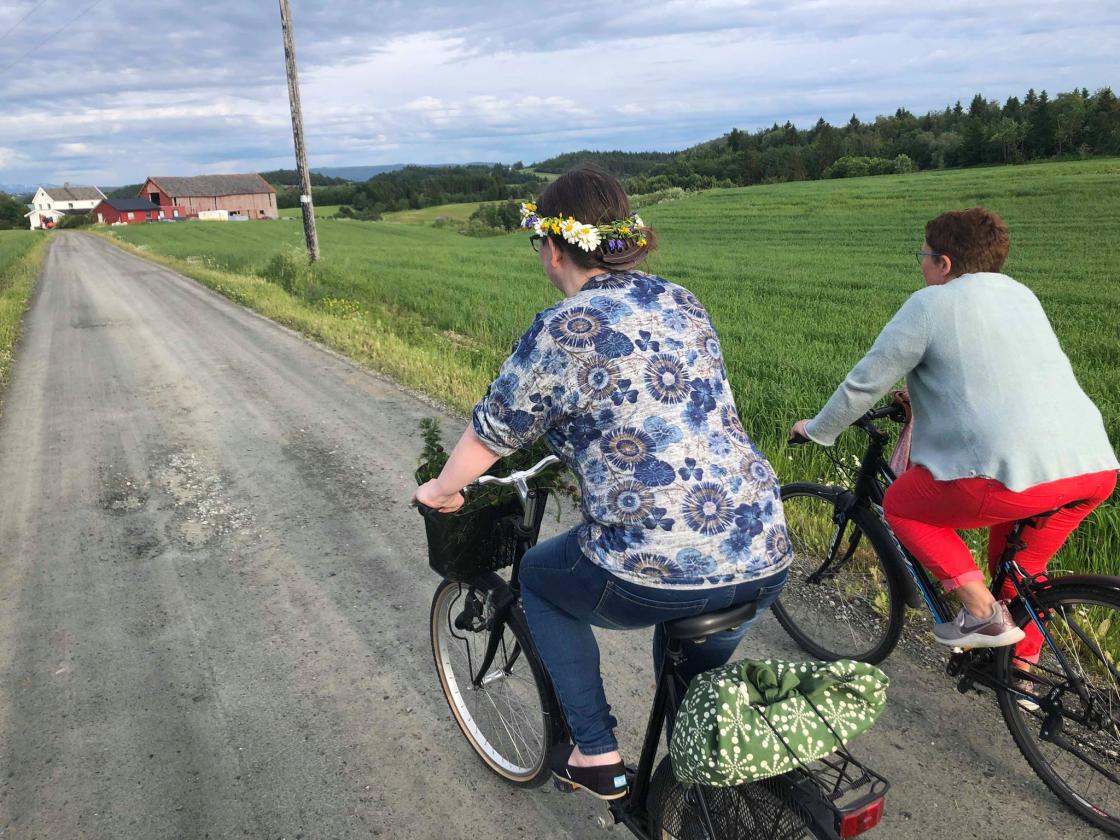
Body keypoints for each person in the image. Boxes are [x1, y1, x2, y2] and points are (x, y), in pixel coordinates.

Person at [413, 167, 792, 800]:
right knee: (689, 702)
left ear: (553, 247)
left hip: (655, 560)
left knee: (539, 578)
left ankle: (596, 754)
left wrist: (442, 490)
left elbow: (493, 433)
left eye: (537, 243)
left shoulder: (565, 326)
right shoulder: (679, 299)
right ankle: (697, 795)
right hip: (760, 545)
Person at [791, 208, 1118, 664]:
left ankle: (982, 614)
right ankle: (1021, 676)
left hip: (1008, 471)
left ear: (944, 263)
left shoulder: (930, 304)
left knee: (901, 505)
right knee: (1020, 575)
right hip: (1090, 467)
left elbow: (864, 384)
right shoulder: (1021, 295)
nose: (920, 264)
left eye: (923, 255)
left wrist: (817, 429)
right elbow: (993, 377)